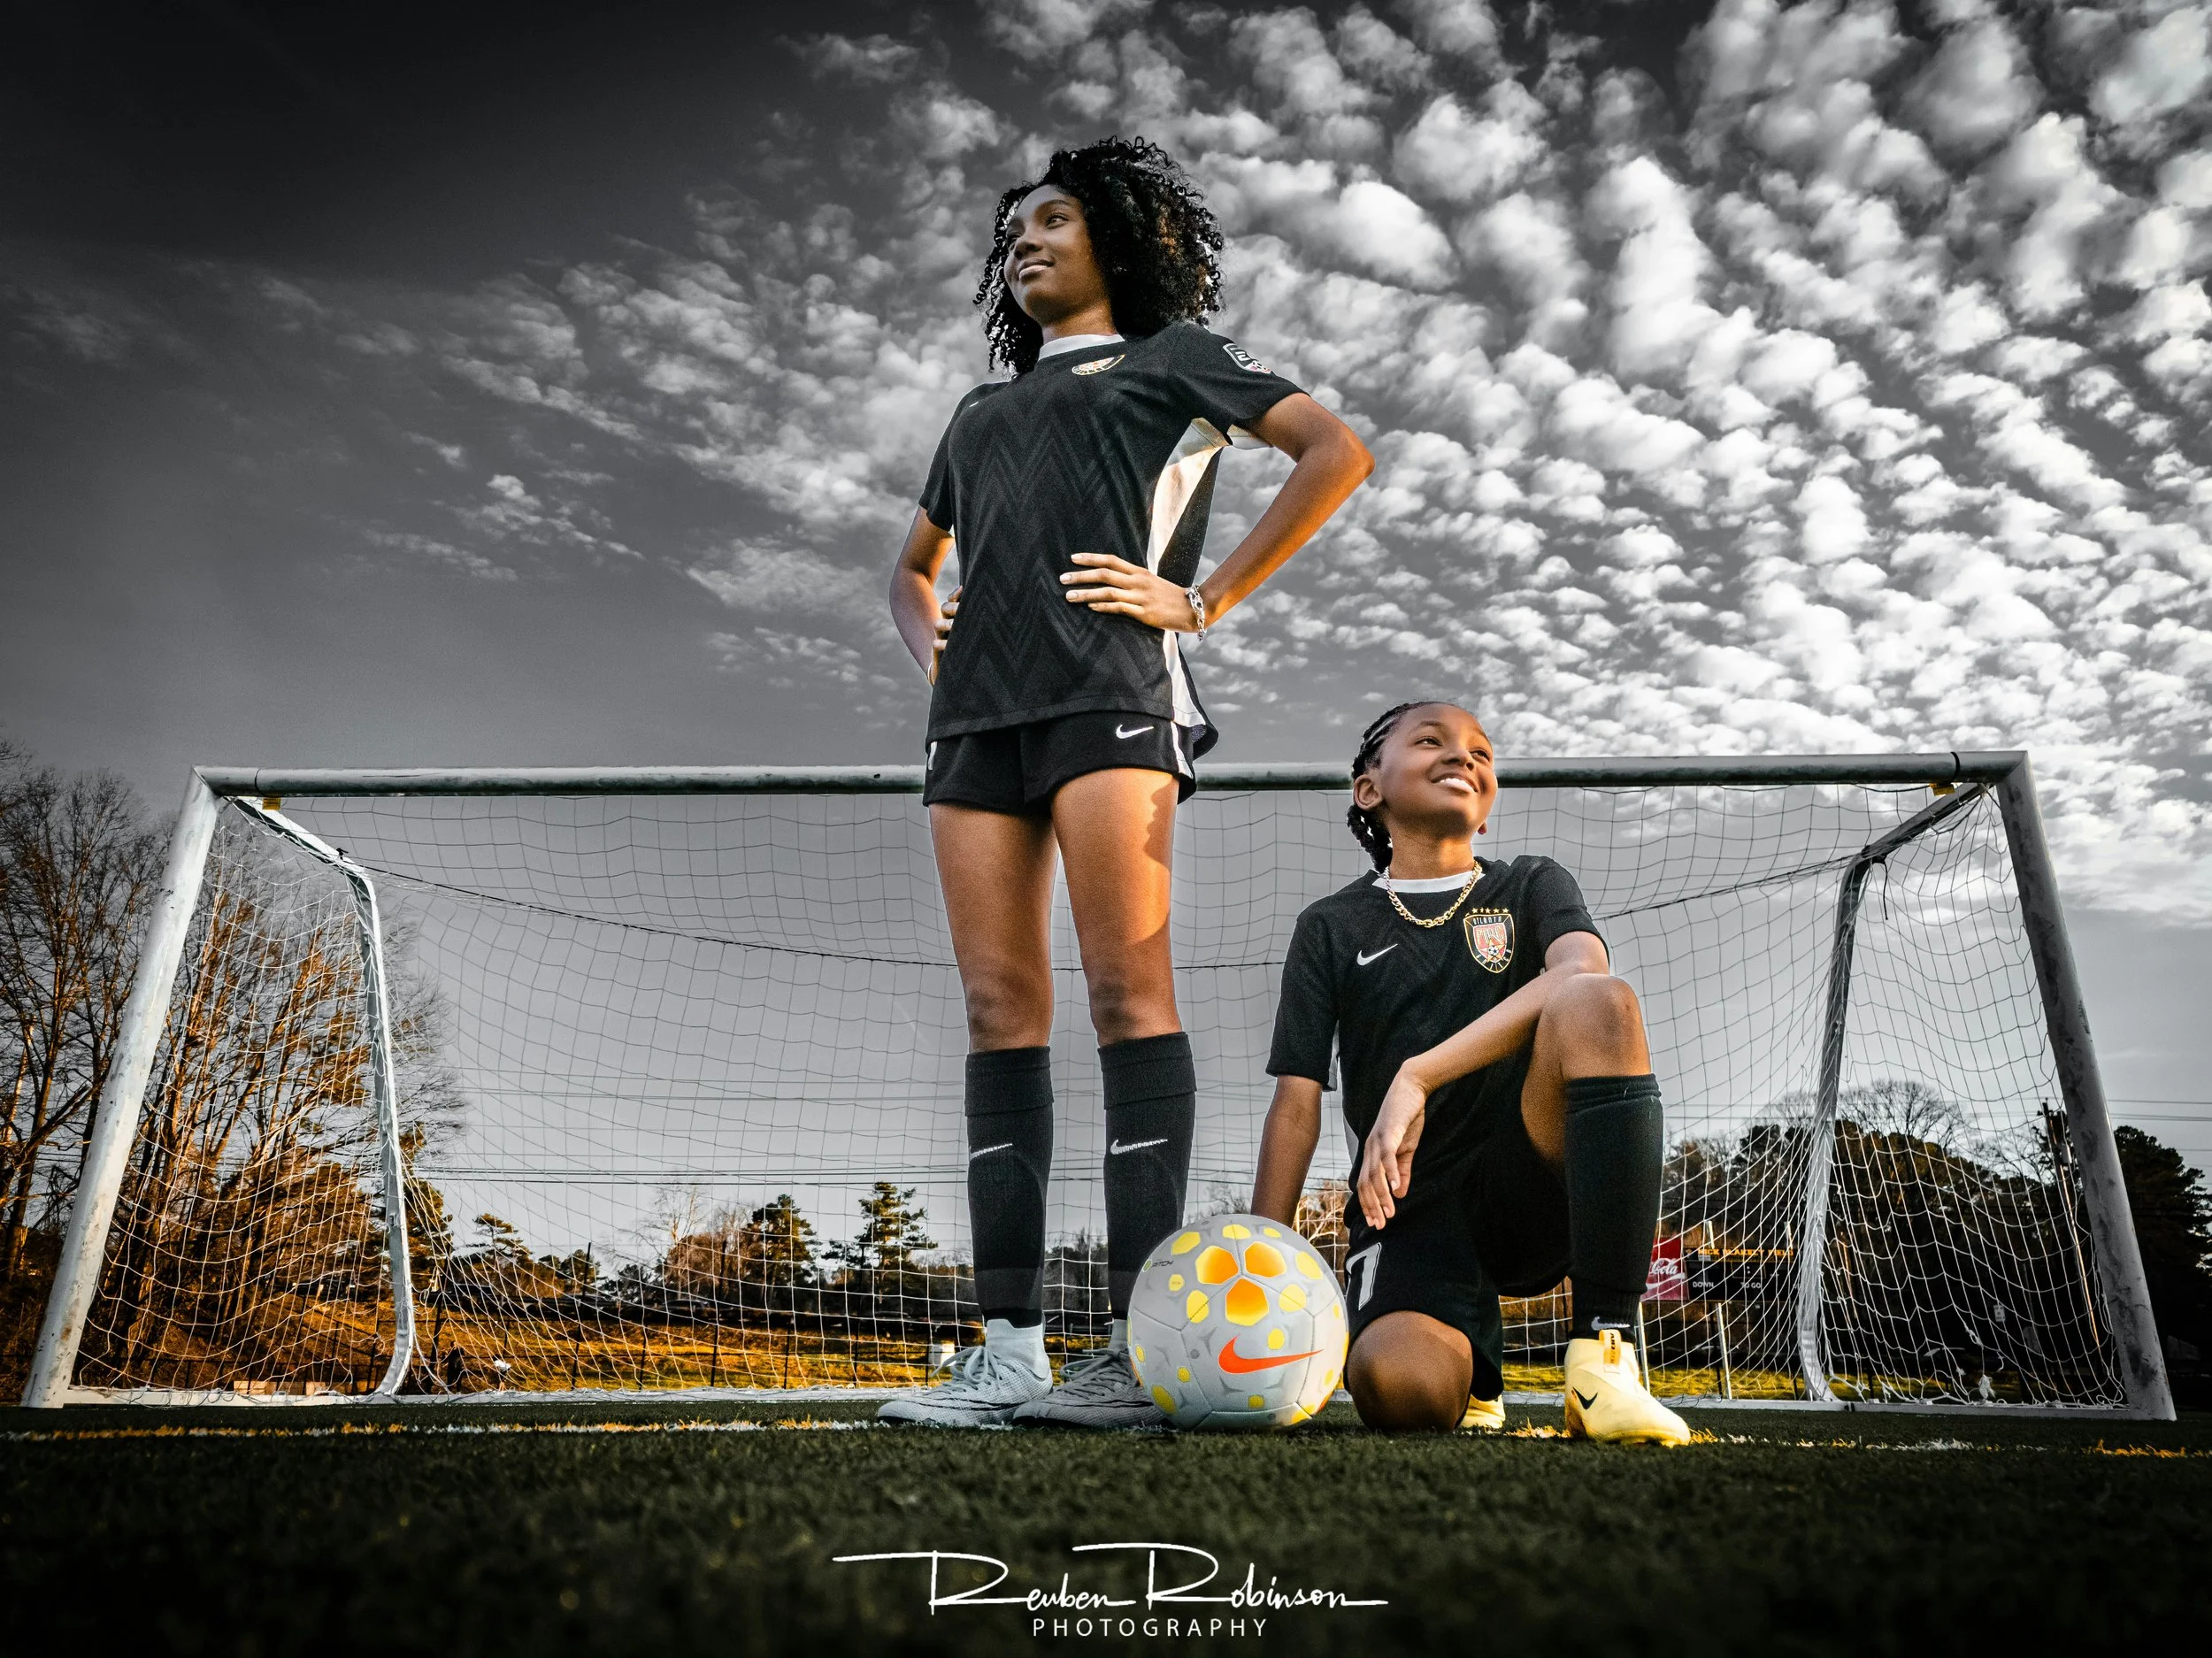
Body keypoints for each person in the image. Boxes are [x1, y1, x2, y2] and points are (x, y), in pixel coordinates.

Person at [879, 136, 1373, 1428]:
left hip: (1113, 694)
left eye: (1056, 219)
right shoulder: (978, 413)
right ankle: (1007, 1351)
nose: (1028, 241)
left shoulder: (1177, 359)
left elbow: (1334, 452)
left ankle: (1137, 1356)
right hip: (975, 723)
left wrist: (1201, 598)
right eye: (1016, 230)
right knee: (997, 1005)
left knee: (1124, 990)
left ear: (1118, 236)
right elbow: (909, 562)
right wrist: (923, 618)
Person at [1252, 701, 1690, 1444]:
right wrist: (1257, 1259)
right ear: (1370, 789)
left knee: (1600, 1002)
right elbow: (1296, 1101)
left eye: (1480, 753)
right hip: (1406, 1207)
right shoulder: (1329, 926)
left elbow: (1582, 966)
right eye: (1431, 742)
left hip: (1526, 1182)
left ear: (1486, 810)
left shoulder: (1528, 884)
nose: (1464, 757)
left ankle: (1604, 1361)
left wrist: (1416, 1076)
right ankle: (1473, 1374)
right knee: (1400, 1393)